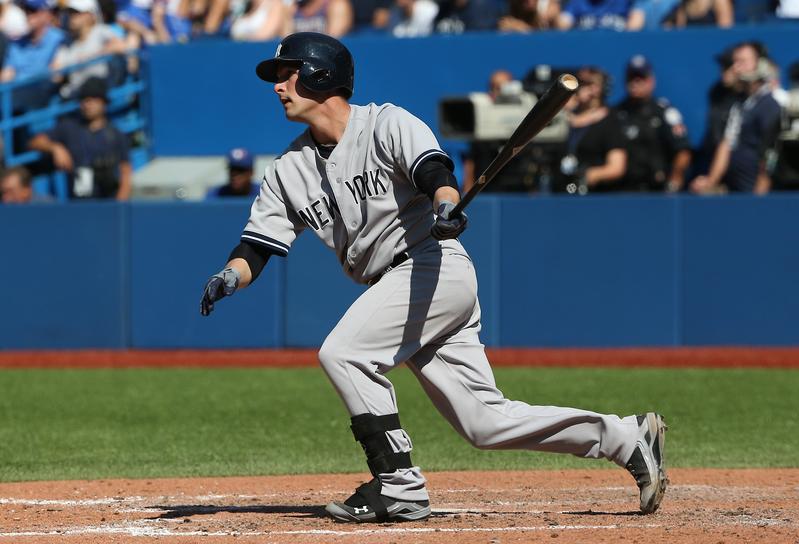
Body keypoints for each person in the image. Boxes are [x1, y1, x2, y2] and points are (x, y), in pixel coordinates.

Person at [199, 32, 667, 523]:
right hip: (395, 285)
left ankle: (398, 485)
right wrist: (231, 275)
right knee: (484, 423)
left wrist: (447, 204)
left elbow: (433, 170)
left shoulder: (385, 123)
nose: (278, 85)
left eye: (287, 72)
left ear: (322, 73)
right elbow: (256, 246)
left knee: (344, 353)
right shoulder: (286, 171)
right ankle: (626, 438)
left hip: (431, 263)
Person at [690, 53, 783, 194]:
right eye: (734, 63)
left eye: (743, 61)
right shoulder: (738, 105)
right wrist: (712, 181)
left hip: (759, 188)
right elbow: (726, 144)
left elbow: (772, 148)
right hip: (738, 188)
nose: (736, 68)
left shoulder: (771, 103)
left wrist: (763, 183)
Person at [28, 77, 132, 200]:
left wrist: (119, 207)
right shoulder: (69, 128)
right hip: (79, 204)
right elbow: (34, 142)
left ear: (104, 102)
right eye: (84, 100)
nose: (88, 104)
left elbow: (126, 173)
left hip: (108, 202)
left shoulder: (116, 134)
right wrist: (55, 148)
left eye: (93, 100)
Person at [614, 55, 690, 192]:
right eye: (631, 78)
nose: (635, 82)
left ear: (651, 81)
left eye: (641, 78)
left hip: (656, 188)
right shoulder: (617, 113)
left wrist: (675, 178)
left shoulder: (664, 111)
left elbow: (682, 150)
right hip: (623, 189)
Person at [558, 66, 626, 193]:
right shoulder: (564, 117)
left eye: (589, 83)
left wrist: (590, 175)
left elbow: (617, 167)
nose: (583, 88)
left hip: (593, 193)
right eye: (580, 83)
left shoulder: (610, 120)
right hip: (560, 189)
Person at [50, 0, 128, 100]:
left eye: (76, 13)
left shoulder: (101, 31)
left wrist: (91, 57)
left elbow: (122, 46)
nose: (72, 17)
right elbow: (55, 76)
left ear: (90, 15)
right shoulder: (66, 44)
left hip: (100, 96)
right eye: (70, 13)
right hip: (76, 100)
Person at [0, 0, 65, 111]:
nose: (28, 15)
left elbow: (56, 76)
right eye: (26, 11)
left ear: (47, 14)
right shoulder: (17, 44)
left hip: (41, 94)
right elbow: (6, 76)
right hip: (15, 97)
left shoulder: (58, 38)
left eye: (33, 11)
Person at [557, 0, 631, 30]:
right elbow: (563, 23)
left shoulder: (623, 2)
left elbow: (634, 25)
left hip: (615, 49)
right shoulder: (577, 2)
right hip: (585, 50)